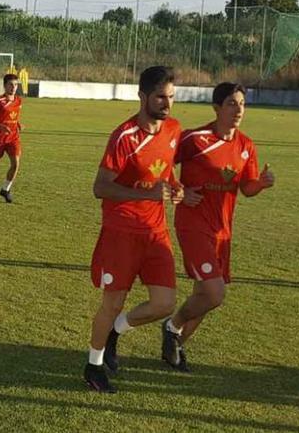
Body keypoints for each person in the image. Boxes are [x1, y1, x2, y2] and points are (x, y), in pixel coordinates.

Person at [83, 66, 184, 394]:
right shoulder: (124, 136)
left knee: (164, 304)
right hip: (121, 232)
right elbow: (100, 187)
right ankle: (93, 366)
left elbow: (165, 173)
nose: (166, 104)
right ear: (142, 96)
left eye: (170, 97)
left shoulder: (173, 130)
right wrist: (147, 193)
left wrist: (175, 187)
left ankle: (116, 332)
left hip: (155, 231)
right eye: (160, 97)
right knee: (111, 303)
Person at [161, 82, 275, 372]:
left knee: (206, 295)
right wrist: (179, 189)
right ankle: (172, 327)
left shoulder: (246, 146)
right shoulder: (195, 139)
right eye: (231, 104)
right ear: (216, 107)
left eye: (242, 104)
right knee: (214, 293)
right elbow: (162, 162)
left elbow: (246, 189)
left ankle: (177, 346)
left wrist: (260, 184)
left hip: (222, 231)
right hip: (193, 223)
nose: (238, 110)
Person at [0, 73, 24, 203]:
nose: (13, 87)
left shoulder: (18, 101)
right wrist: (0, 126)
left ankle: (5, 189)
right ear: (5, 86)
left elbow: (14, 116)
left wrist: (18, 124)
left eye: (16, 85)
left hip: (13, 137)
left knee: (15, 163)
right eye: (11, 85)